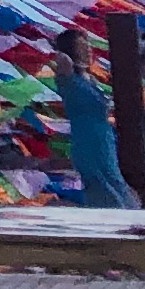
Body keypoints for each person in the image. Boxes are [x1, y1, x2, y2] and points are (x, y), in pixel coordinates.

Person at [54, 34, 129, 208]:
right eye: (81, 46)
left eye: (87, 46)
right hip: (86, 139)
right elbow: (60, 57)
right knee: (100, 185)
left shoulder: (90, 80)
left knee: (114, 180)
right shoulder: (68, 76)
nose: (87, 50)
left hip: (103, 138)